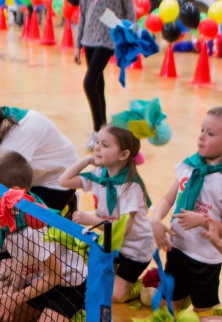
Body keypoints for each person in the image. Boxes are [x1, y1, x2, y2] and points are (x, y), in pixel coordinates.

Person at [0, 152, 88, 322]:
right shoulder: (4, 216)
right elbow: (19, 259)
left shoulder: (34, 226)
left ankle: (76, 319)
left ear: (12, 193)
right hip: (38, 280)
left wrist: (15, 299)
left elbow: (54, 277)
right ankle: (44, 315)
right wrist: (8, 296)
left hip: (67, 285)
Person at [150, 106, 222, 313]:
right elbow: (168, 198)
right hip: (177, 247)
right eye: (202, 130)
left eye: (210, 133)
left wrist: (204, 220)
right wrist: (156, 220)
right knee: (166, 309)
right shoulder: (190, 165)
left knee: (204, 314)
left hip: (204, 258)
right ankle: (180, 297)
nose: (202, 137)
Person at [58, 124, 154, 303]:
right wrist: (87, 161)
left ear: (123, 155)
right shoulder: (100, 174)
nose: (97, 147)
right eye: (97, 142)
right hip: (111, 243)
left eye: (105, 145)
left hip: (135, 249)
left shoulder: (130, 186)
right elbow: (64, 181)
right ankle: (117, 271)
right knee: (86, 280)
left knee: (114, 296)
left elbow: (124, 229)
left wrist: (91, 220)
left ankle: (137, 286)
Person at [0, 95, 78, 213]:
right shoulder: (1, 119)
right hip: (37, 173)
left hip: (58, 181)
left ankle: (68, 204)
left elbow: (4, 188)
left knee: (23, 221)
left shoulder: (14, 143)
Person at [74, 0, 133, 146]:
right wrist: (77, 43)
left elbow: (130, 12)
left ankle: (98, 130)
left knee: (89, 82)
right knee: (97, 84)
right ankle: (103, 128)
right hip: (89, 37)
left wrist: (126, 39)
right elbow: (83, 12)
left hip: (108, 40)